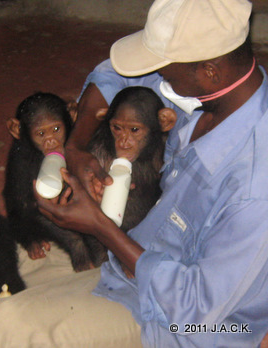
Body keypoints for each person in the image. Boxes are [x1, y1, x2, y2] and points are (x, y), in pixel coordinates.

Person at [35, 0, 268, 346]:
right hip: (133, 262)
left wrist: (99, 226)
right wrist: (75, 147)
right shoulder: (223, 94)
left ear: (208, 71)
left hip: (174, 325)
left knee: (17, 330)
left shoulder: (253, 188)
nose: (160, 78)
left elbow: (195, 307)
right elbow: (115, 74)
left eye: (166, 72)